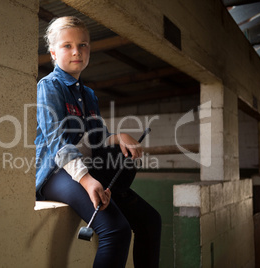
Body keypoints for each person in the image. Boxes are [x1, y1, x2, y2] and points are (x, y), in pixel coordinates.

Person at [35, 16, 161, 268]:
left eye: (83, 45)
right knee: (117, 231)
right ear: (53, 52)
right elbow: (57, 142)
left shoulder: (88, 94)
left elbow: (97, 137)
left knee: (150, 220)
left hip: (87, 168)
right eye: (67, 46)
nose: (76, 52)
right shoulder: (49, 86)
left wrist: (117, 137)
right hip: (56, 173)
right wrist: (86, 179)